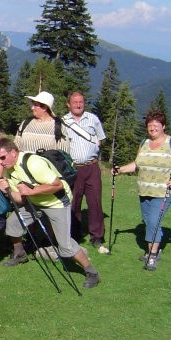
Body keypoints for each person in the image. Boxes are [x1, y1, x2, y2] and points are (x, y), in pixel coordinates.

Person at [0, 138, 100, 288]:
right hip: (36, 203)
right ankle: (20, 253)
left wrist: (32, 191)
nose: (0, 162)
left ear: (13, 152)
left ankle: (92, 272)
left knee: (65, 245)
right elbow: (20, 200)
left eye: (2, 157)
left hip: (56, 203)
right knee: (13, 223)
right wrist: (8, 191)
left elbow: (57, 185)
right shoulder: (9, 171)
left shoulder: (33, 163)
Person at [112, 111, 171, 271]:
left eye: (156, 125)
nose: (153, 128)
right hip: (144, 191)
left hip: (162, 193)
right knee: (149, 221)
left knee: (153, 222)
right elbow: (137, 164)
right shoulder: (143, 143)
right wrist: (119, 170)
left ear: (163, 126)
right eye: (150, 125)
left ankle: (152, 256)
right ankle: (153, 249)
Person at [62, 92, 106, 247]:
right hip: (74, 169)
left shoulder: (93, 119)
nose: (78, 105)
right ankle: (75, 234)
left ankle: (97, 236)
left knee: (95, 202)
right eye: (75, 102)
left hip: (92, 167)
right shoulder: (63, 122)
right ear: (69, 104)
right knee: (74, 202)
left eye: (81, 102)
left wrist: (90, 152)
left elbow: (100, 139)